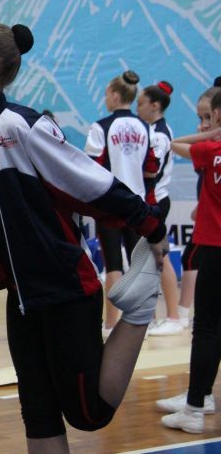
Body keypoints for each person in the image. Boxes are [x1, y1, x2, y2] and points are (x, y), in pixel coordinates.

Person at [0, 21, 168, 453]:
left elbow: (88, 182)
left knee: (89, 414)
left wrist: (150, 224)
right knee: (38, 415)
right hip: (21, 296)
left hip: (65, 286)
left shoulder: (22, 127)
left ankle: (138, 311)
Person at [160, 89, 221, 433]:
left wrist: (213, 134)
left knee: (207, 328)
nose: (204, 124)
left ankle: (194, 408)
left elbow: (175, 143)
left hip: (215, 248)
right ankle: (202, 396)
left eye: (209, 117)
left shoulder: (211, 151)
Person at [84, 70, 159, 337]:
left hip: (110, 206)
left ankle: (110, 324)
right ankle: (142, 323)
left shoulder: (100, 127)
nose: (105, 99)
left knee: (113, 264)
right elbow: (152, 168)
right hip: (137, 205)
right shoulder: (145, 128)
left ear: (115, 95)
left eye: (106, 94)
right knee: (139, 266)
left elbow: (91, 169)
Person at [136, 81, 182, 336]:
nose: (137, 109)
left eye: (141, 104)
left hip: (156, 200)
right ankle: (151, 316)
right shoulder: (152, 131)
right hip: (150, 200)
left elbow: (152, 172)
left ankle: (174, 315)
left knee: (160, 256)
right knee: (148, 259)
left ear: (155, 105)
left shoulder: (160, 135)